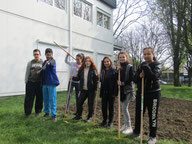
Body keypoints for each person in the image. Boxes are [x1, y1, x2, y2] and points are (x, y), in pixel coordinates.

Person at [133, 47, 161, 144]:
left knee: (152, 115)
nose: (146, 56)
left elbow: (154, 76)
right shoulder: (141, 65)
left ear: (153, 54)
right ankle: (137, 132)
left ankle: (152, 136)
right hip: (141, 94)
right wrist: (139, 76)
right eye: (144, 54)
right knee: (139, 113)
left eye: (148, 54)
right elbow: (134, 79)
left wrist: (146, 67)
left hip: (153, 94)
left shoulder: (157, 65)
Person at [72, 56, 98, 122]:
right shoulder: (82, 69)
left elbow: (96, 81)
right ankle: (79, 116)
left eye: (89, 61)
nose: (87, 62)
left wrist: (96, 89)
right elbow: (78, 78)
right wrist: (73, 77)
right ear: (84, 62)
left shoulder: (93, 70)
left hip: (91, 90)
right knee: (79, 102)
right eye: (86, 61)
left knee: (90, 104)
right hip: (83, 89)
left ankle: (89, 117)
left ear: (91, 62)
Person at [116, 51, 135, 134]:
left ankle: (129, 126)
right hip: (121, 90)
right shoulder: (119, 67)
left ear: (126, 58)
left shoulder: (130, 67)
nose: (122, 58)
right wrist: (117, 72)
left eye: (123, 57)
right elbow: (117, 77)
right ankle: (125, 124)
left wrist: (123, 83)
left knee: (124, 107)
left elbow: (131, 78)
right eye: (120, 57)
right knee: (123, 108)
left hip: (128, 90)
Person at [41, 48, 60, 122]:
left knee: (52, 99)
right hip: (44, 83)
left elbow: (51, 65)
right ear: (45, 55)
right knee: (45, 99)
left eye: (49, 54)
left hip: (51, 83)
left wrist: (49, 64)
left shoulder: (53, 61)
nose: (48, 56)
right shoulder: (44, 62)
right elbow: (43, 69)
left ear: (51, 54)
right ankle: (46, 112)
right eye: (47, 54)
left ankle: (54, 114)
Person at [24, 49, 43, 118]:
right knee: (29, 98)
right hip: (31, 82)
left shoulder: (43, 62)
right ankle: (27, 113)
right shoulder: (30, 62)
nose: (36, 56)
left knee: (39, 98)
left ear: (40, 55)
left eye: (37, 54)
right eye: (34, 54)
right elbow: (27, 72)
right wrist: (26, 81)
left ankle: (38, 111)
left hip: (39, 83)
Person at [100, 56, 116, 128]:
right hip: (104, 91)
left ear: (110, 62)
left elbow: (115, 82)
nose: (106, 63)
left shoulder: (114, 70)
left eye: (107, 61)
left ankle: (110, 122)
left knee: (111, 107)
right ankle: (104, 121)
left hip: (111, 92)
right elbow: (102, 81)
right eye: (105, 62)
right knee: (103, 107)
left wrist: (115, 93)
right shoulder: (103, 71)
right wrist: (99, 78)